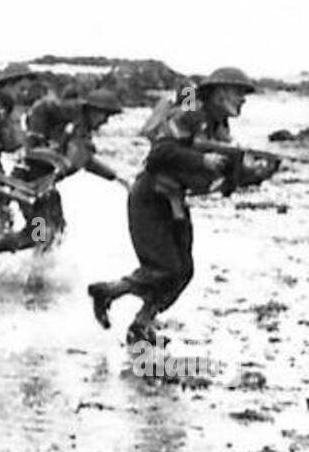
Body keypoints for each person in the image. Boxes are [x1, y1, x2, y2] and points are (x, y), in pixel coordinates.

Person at [87, 67, 278, 345]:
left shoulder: (220, 128)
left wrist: (255, 174)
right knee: (164, 267)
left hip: (175, 200)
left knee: (183, 271)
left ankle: (141, 324)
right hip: (150, 197)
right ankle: (109, 291)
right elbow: (158, 155)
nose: (243, 100)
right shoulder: (191, 115)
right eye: (239, 93)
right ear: (220, 92)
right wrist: (202, 161)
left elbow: (223, 178)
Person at [0, 87, 126, 271]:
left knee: (56, 230)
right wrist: (35, 138)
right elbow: (41, 108)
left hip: (46, 186)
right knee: (40, 234)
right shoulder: (69, 110)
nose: (104, 122)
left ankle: (35, 270)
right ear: (92, 109)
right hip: (28, 182)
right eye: (104, 116)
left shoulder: (82, 132)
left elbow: (84, 160)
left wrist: (114, 177)